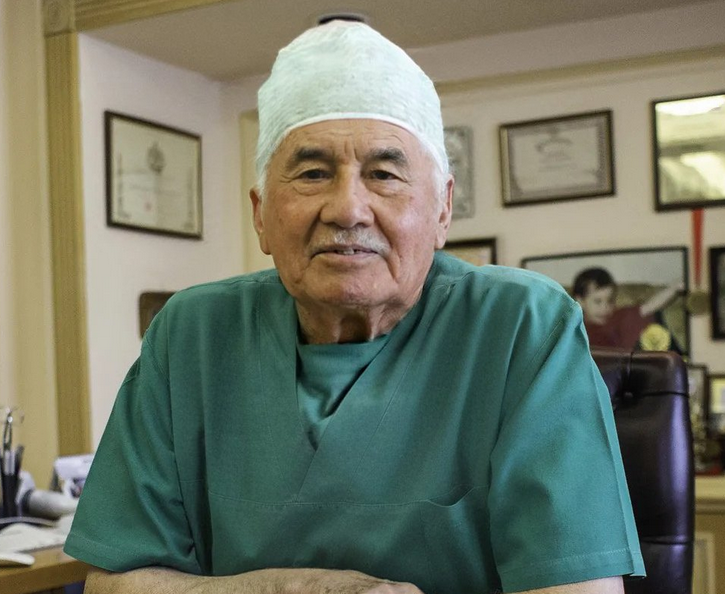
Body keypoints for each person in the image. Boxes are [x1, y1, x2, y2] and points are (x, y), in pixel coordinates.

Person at [64, 21, 644, 594]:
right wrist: (293, 590)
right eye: (313, 173)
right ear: (261, 214)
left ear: (443, 210)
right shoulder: (191, 336)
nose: (347, 209)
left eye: (384, 174)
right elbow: (113, 584)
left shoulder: (523, 328)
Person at [572, 267, 683, 351]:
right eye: (598, 301)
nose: (605, 308)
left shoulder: (618, 316)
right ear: (580, 301)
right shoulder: (575, 328)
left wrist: (674, 288)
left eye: (609, 301)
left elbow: (649, 307)